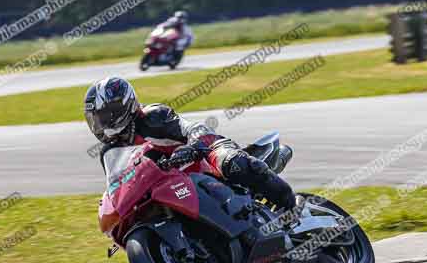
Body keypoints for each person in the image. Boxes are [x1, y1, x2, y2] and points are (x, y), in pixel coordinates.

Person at [84, 76, 296, 210]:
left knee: (233, 162)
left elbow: (192, 129)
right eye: (97, 118)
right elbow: (118, 185)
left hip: (203, 156)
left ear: (124, 106)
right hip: (170, 185)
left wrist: (192, 147)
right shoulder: (110, 151)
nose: (101, 123)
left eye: (106, 115)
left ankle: (292, 208)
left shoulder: (153, 117)